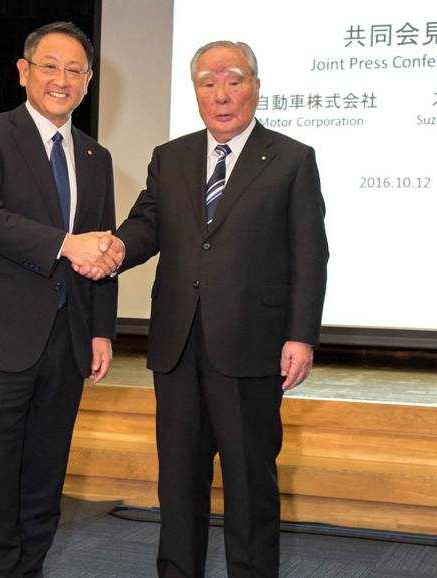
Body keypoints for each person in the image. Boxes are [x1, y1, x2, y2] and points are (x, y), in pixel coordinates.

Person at [82, 40, 328, 577]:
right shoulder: (171, 158)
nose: (221, 94)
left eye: (233, 80)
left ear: (256, 87)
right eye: (207, 82)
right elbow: (148, 225)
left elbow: (311, 256)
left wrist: (301, 335)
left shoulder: (292, 159)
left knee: (248, 481)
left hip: (251, 348)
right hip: (177, 346)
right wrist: (119, 249)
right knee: (178, 480)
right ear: (195, 91)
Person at [0, 21, 122, 577]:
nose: (61, 79)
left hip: (67, 340)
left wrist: (101, 330)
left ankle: (30, 570)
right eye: (50, 66)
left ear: (89, 82)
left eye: (75, 70)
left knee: (46, 475)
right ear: (24, 72)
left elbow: (101, 245)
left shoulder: (96, 157)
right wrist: (66, 245)